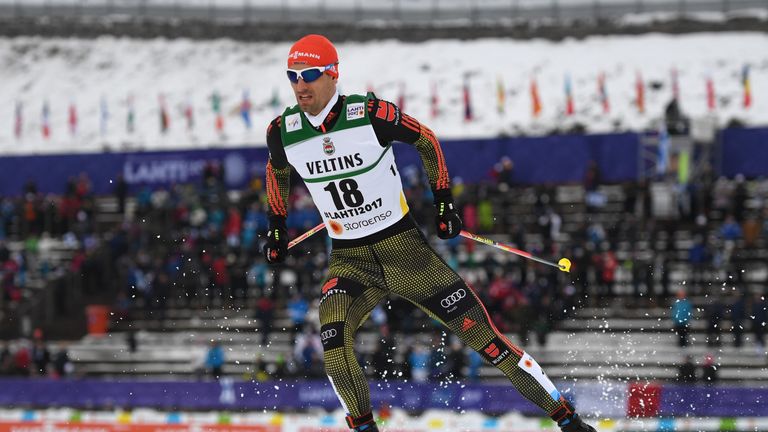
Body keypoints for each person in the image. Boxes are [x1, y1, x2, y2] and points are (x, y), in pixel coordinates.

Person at [263, 34, 596, 432]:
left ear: (333, 74)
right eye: (293, 76)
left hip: (406, 254)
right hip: (350, 261)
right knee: (333, 344)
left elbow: (425, 139)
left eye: (311, 75)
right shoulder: (283, 130)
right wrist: (277, 229)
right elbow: (276, 170)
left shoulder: (369, 114)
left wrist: (444, 203)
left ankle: (568, 420)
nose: (301, 85)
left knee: (486, 341)